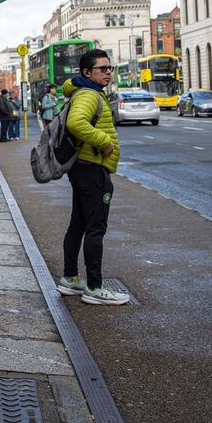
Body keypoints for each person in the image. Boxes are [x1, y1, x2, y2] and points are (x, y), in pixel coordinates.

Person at [55, 50, 130, 305]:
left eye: (110, 68)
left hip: (83, 168)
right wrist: (104, 141)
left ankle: (70, 279)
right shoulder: (88, 94)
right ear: (87, 73)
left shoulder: (86, 91)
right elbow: (77, 123)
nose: (108, 72)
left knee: (78, 224)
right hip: (91, 169)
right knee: (95, 228)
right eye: (103, 69)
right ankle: (95, 288)